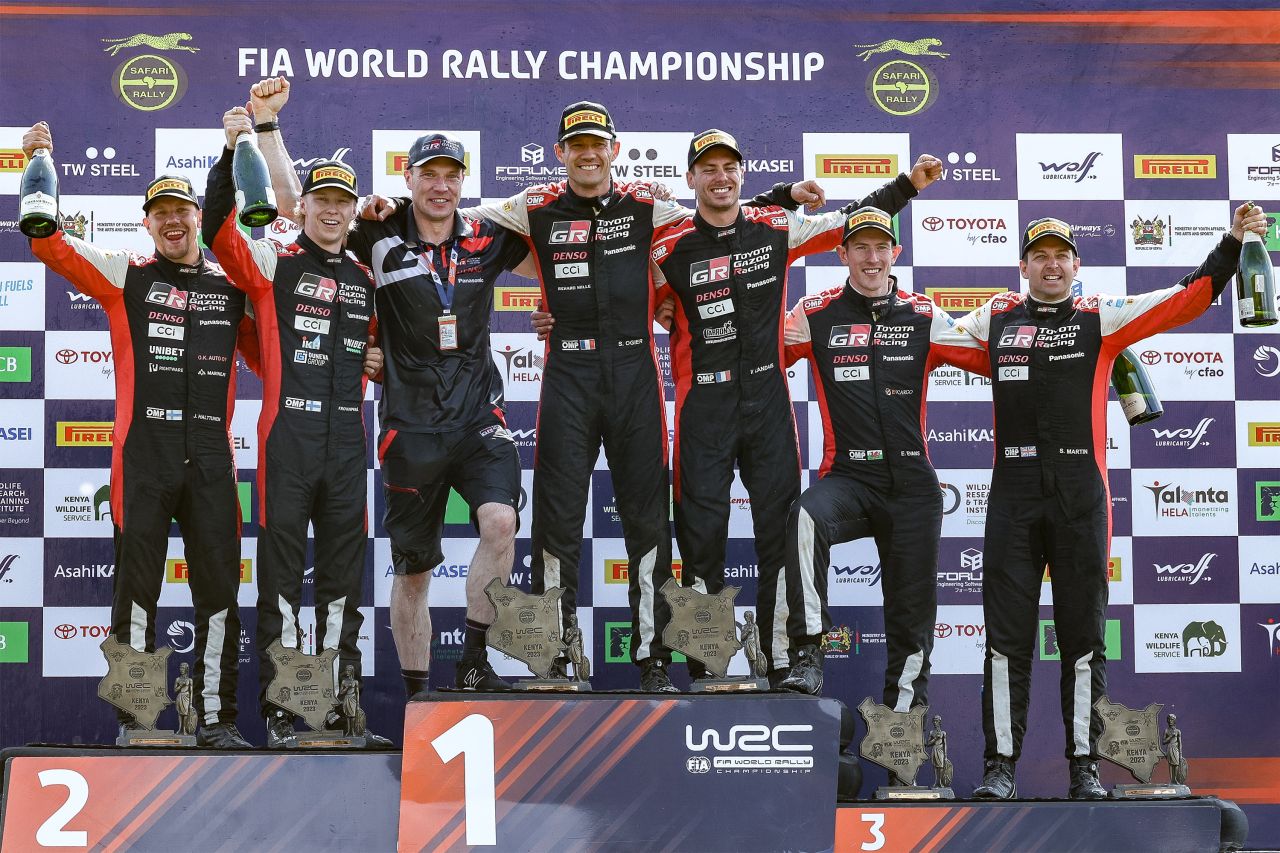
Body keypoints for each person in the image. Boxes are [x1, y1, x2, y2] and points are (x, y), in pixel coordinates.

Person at [424, 102, 811, 691]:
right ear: (560, 152)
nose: (588, 153)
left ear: (614, 150)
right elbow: (452, 216)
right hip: (568, 374)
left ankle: (653, 659)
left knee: (648, 522)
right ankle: (554, 656)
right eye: (576, 144)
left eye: (597, 144)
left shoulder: (649, 205)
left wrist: (779, 197)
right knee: (557, 519)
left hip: (634, 372)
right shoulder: (534, 204)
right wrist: (386, 210)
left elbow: (717, 215)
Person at [935, 207, 1267, 799]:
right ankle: (999, 768)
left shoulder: (1100, 316)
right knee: (1005, 641)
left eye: (1061, 256)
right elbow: (927, 341)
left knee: (1084, 640)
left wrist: (1232, 243)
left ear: (1076, 264)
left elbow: (1182, 301)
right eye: (1040, 256)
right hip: (1012, 496)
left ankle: (1084, 766)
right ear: (1023, 267)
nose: (1051, 264)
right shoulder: (995, 318)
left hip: (1079, 497)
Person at [259, 77, 531, 696]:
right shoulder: (373, 228)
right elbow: (294, 207)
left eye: (451, 176)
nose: (440, 187)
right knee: (414, 573)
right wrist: (268, 128)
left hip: (479, 418)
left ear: (463, 182)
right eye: (428, 175)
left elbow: (571, 265)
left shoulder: (488, 236)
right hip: (410, 428)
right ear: (408, 178)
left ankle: (475, 660)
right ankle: (417, 696)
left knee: (500, 522)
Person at [651, 131, 942, 685]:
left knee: (780, 535)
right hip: (703, 405)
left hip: (767, 400)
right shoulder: (667, 245)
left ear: (742, 174)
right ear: (690, 179)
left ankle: (782, 659)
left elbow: (848, 223)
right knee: (701, 538)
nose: (720, 177)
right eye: (708, 169)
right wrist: (552, 315)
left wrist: (906, 185)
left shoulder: (775, 227)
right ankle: (706, 664)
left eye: (729, 168)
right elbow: (612, 289)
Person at [24, 121, 254, 749]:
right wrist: (39, 161)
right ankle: (138, 722)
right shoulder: (126, 275)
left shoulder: (232, 286)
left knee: (220, 595)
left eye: (182, 210)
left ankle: (217, 720)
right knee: (136, 594)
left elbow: (277, 358)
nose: (173, 221)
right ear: (147, 224)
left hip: (212, 460)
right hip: (143, 460)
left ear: (198, 216)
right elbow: (51, 245)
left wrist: (367, 362)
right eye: (161, 214)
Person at [204, 96, 390, 747]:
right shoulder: (273, 261)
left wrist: (378, 358)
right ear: (302, 206)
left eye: (343, 202)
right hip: (287, 439)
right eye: (322, 200)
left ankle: (340, 710)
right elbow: (218, 233)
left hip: (347, 442)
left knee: (342, 585)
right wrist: (230, 152)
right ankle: (285, 712)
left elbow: (386, 348)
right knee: (282, 583)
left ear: (352, 210)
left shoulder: (366, 277)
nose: (333, 211)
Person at [776, 207, 987, 698]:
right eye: (861, 248)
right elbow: (759, 354)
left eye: (881, 248)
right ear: (842, 253)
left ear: (896, 253)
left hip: (912, 487)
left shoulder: (924, 315)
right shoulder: (814, 313)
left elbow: (989, 358)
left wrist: (1082, 345)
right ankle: (807, 655)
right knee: (805, 517)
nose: (871, 258)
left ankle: (902, 722)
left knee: (911, 613)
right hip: (849, 478)